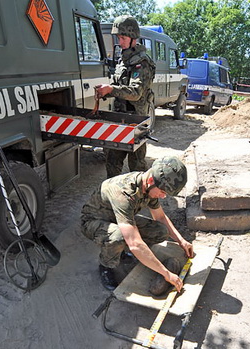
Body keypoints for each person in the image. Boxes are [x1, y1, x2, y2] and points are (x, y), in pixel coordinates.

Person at [81, 156, 194, 291]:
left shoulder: (148, 187)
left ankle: (125, 251)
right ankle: (106, 265)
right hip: (93, 221)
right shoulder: (124, 194)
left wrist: (181, 241)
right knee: (120, 237)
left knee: (160, 231)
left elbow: (160, 217)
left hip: (118, 218)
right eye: (163, 192)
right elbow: (135, 243)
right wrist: (166, 273)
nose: (163, 196)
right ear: (151, 180)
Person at [95, 15, 156, 178]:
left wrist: (111, 90)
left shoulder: (142, 62)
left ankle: (136, 201)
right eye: (118, 37)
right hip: (120, 119)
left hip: (136, 122)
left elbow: (136, 93)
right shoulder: (123, 60)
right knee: (112, 164)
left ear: (133, 38)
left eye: (122, 37)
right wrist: (106, 91)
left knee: (137, 170)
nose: (119, 41)